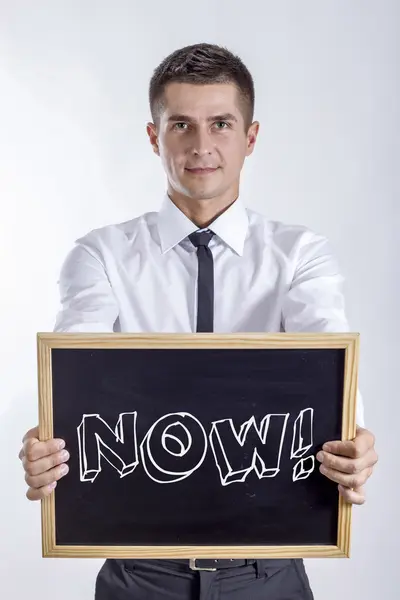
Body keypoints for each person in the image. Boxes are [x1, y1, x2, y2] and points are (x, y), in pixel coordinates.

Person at [18, 43, 378, 599]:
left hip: (268, 574)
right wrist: (50, 440)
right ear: (153, 136)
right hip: (141, 575)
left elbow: (328, 357)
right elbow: (74, 375)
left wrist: (354, 438)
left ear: (250, 137)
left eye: (221, 124)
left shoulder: (300, 255)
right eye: (181, 124)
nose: (201, 145)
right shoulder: (101, 256)